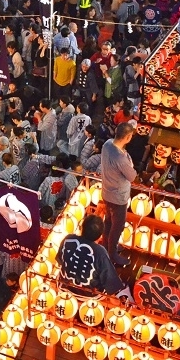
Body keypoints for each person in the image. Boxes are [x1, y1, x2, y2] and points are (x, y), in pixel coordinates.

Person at [100, 122, 137, 267]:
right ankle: (112, 253)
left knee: (108, 221)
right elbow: (132, 176)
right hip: (118, 197)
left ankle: (106, 245)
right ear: (127, 137)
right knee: (118, 225)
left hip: (106, 192)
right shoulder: (121, 158)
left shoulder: (107, 145)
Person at [58, 214, 123, 294]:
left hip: (64, 286)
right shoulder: (100, 252)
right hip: (88, 295)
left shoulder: (68, 239)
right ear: (99, 236)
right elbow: (110, 281)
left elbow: (60, 260)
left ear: (81, 228)